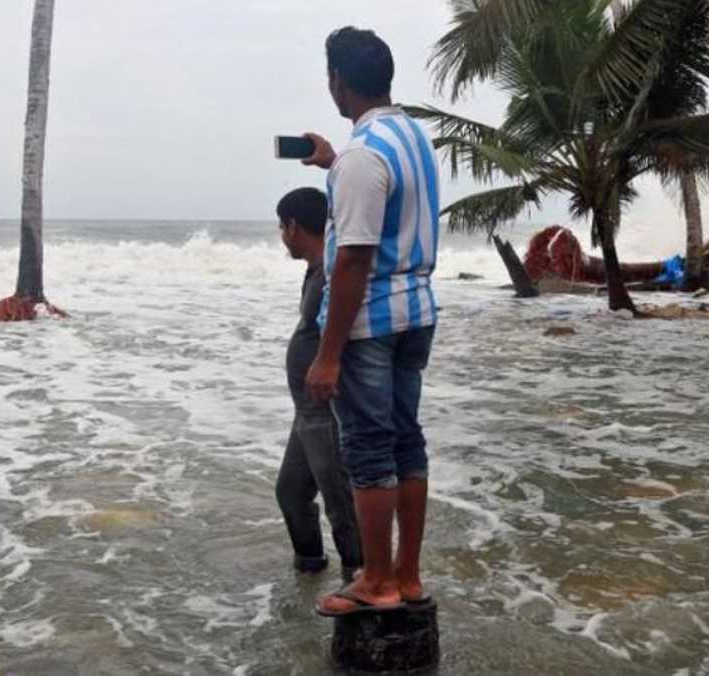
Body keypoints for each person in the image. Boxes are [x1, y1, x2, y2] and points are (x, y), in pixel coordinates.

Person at [301, 26, 441, 616]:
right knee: (406, 441)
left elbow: (355, 257)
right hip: (417, 314)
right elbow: (387, 207)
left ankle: (376, 581)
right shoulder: (409, 136)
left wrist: (328, 353)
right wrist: (333, 162)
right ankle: (406, 575)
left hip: (371, 323)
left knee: (368, 449)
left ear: (338, 81)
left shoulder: (363, 155)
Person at [275, 187, 364, 583]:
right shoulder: (317, 267)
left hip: (324, 406)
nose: (281, 235)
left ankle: (359, 576)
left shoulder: (333, 269)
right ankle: (309, 570)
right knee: (291, 492)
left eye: (281, 226)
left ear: (293, 226)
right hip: (305, 411)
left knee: (340, 500)